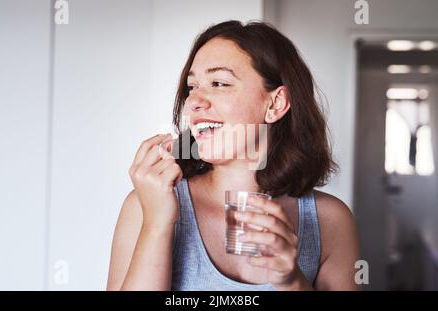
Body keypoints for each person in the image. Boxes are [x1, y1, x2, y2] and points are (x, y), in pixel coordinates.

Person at [107, 20, 361, 291]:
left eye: (219, 83)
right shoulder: (145, 205)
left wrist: (291, 281)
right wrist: (157, 224)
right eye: (192, 87)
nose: (193, 101)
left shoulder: (330, 221)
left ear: (275, 104)